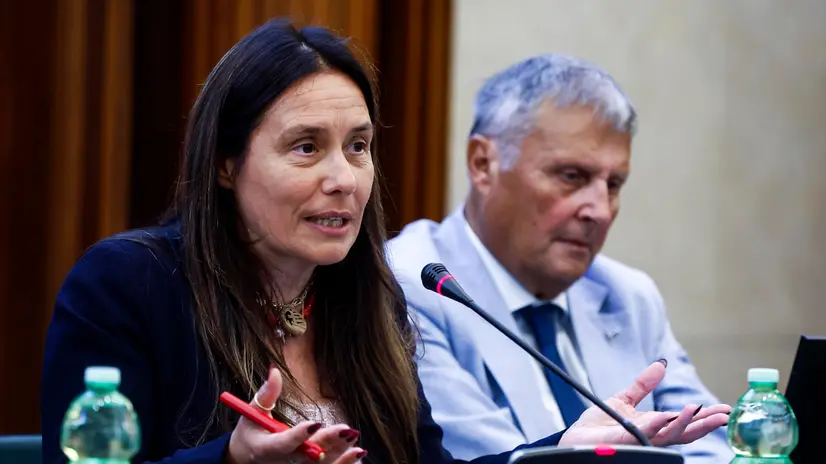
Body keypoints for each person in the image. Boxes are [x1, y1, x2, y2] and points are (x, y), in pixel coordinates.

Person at [41, 22, 730, 464]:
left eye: (360, 147)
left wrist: (555, 454)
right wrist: (231, 463)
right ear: (226, 163)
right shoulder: (129, 285)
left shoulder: (366, 299)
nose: (344, 178)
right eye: (306, 148)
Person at [387, 54, 734, 463]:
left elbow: (714, 444)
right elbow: (501, 461)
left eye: (614, 184)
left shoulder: (628, 295)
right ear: (483, 165)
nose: (600, 210)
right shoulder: (412, 285)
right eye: (572, 177)